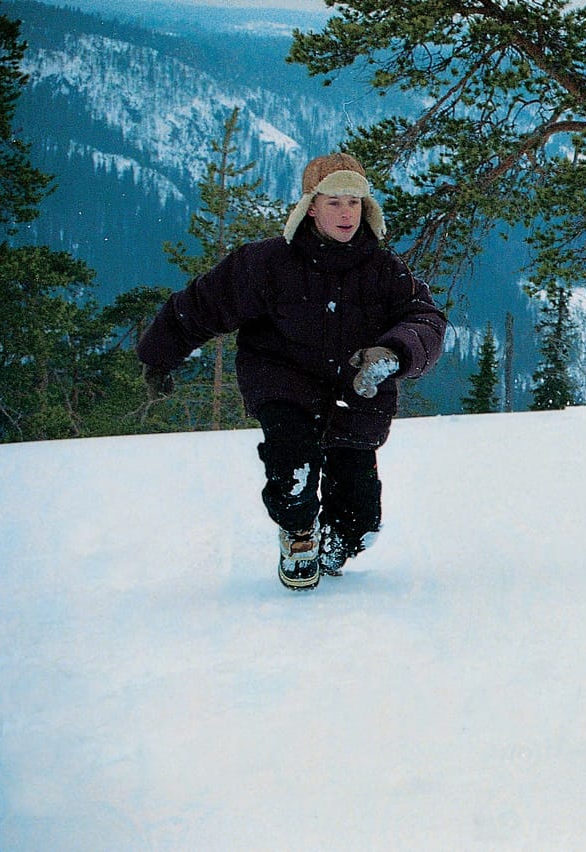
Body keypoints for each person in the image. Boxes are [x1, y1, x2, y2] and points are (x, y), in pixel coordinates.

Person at [138, 153, 448, 591]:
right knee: (293, 465)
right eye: (334, 202)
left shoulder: (385, 270)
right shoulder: (266, 263)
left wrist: (392, 352)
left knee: (360, 516)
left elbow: (427, 321)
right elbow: (204, 304)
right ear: (311, 207)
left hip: (357, 389)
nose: (346, 213)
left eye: (355, 203)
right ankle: (300, 535)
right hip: (284, 380)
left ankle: (334, 544)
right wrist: (159, 355)